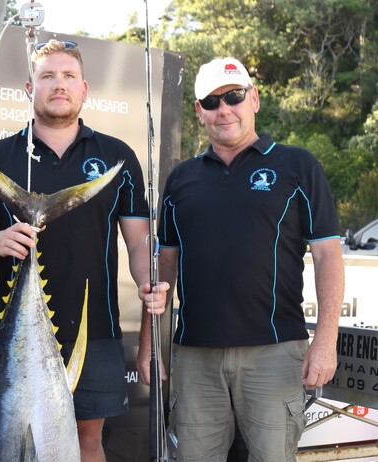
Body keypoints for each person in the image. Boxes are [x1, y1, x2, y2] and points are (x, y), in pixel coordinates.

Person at [0, 39, 167, 462]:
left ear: (84, 89)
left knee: (87, 441)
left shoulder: (116, 156)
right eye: (47, 76)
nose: (59, 84)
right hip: (13, 339)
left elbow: (139, 241)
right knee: (8, 446)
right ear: (29, 88)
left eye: (69, 76)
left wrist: (149, 284)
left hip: (96, 329)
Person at [137, 57, 345, 461]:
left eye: (233, 96)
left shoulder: (298, 165)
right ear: (199, 111)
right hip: (195, 357)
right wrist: (149, 345)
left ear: (254, 99)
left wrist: (326, 340)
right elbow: (163, 270)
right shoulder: (181, 178)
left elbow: (327, 255)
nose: (224, 109)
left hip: (275, 354)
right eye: (211, 102)